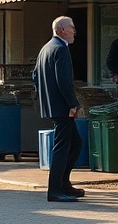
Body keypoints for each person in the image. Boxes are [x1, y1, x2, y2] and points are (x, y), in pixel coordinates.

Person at [32, 16, 83, 202]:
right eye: (72, 28)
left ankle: (64, 183)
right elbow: (63, 80)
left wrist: (43, 96)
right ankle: (55, 189)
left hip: (53, 105)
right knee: (62, 147)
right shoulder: (61, 49)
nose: (74, 32)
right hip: (62, 107)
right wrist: (72, 104)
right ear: (62, 30)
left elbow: (35, 74)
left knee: (76, 142)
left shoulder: (46, 48)